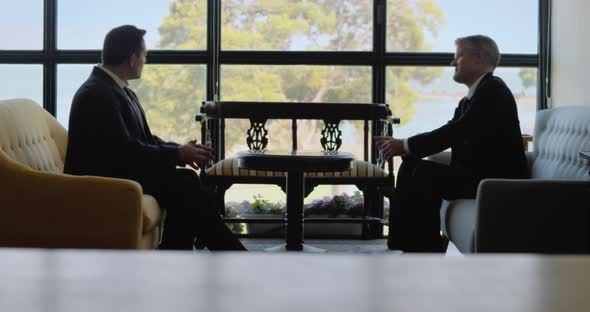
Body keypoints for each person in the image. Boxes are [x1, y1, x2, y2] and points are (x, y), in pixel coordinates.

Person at [64, 25, 245, 251]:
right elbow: (124, 150)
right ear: (132, 58)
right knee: (185, 186)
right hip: (101, 183)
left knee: (185, 183)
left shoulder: (117, 90)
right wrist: (177, 154)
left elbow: (146, 139)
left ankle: (178, 252)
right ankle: (229, 253)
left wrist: (179, 150)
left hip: (118, 173)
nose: (144, 61)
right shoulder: (97, 94)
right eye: (144, 56)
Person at [375, 35, 528, 252]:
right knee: (411, 164)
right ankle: (402, 242)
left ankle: (425, 247)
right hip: (478, 175)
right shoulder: (472, 97)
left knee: (425, 173)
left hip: (496, 181)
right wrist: (407, 147)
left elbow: (456, 132)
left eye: (458, 56)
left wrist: (406, 144)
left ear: (478, 58)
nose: (452, 63)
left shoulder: (493, 90)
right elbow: (451, 130)